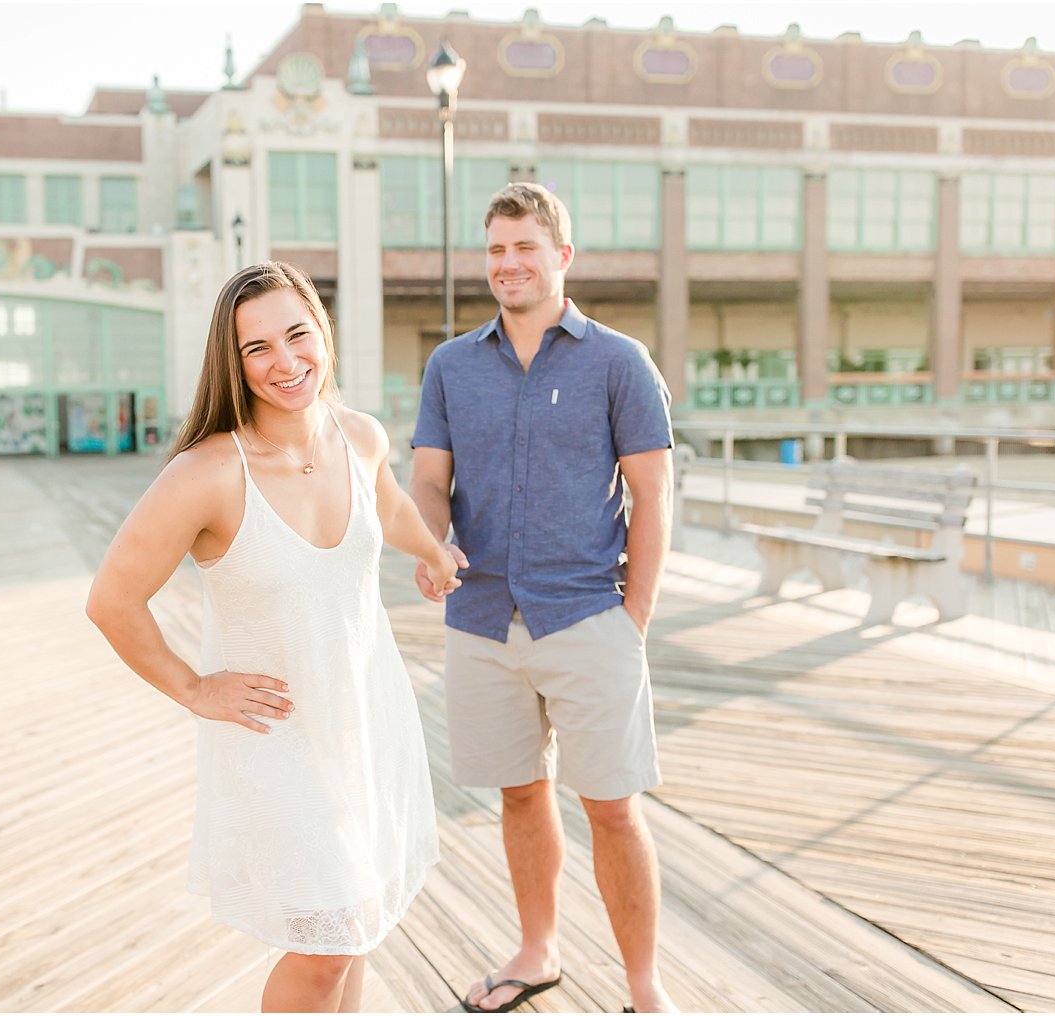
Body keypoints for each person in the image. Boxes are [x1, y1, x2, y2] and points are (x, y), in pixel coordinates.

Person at [86, 261, 462, 1013]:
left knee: (354, 928)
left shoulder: (359, 436)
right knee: (324, 949)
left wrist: (431, 552)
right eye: (258, 348)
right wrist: (194, 687)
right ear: (234, 363)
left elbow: (385, 507)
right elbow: (112, 601)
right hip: (277, 733)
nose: (286, 362)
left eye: (298, 334)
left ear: (323, 332)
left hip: (364, 715)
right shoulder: (208, 473)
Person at [409, 183, 677, 1014]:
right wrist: (430, 542)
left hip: (589, 617)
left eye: (525, 247)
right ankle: (538, 951)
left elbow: (654, 493)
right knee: (520, 793)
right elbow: (427, 480)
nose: (508, 263)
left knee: (614, 809)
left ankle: (644, 987)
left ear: (562, 256)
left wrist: (634, 616)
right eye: (495, 249)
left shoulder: (618, 361)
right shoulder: (451, 365)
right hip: (483, 620)